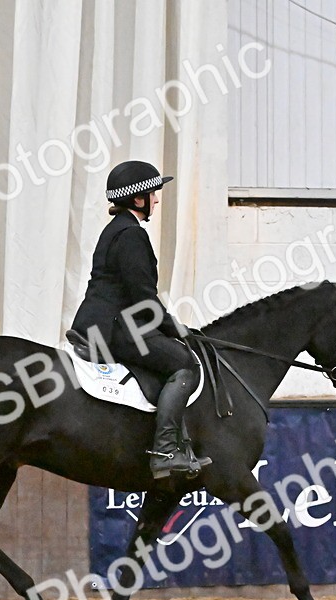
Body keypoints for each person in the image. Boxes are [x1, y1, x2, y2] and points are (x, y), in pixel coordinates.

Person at [70, 160, 211, 479]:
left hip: (103, 322)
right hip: (114, 328)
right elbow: (143, 299)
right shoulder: (131, 234)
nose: (157, 200)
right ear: (138, 199)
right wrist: (175, 328)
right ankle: (164, 450)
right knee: (184, 363)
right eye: (154, 194)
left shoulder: (115, 230)